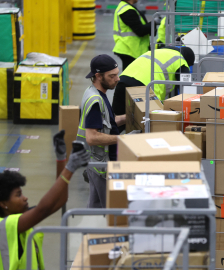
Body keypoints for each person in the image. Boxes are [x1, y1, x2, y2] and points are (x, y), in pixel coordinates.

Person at [0, 131, 89, 270]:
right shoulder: (4, 226)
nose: (25, 197)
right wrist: (70, 168)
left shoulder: (20, 219)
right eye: (18, 195)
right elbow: (44, 208)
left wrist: (61, 159)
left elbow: (59, 200)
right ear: (3, 203)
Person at [76, 55, 127, 208]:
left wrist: (128, 118)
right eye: (112, 76)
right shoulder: (95, 101)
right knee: (109, 213)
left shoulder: (95, 93)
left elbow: (106, 125)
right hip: (101, 167)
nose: (117, 79)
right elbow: (92, 137)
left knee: (96, 210)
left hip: (97, 164)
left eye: (117, 74)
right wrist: (124, 139)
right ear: (98, 76)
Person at [111, 46, 195, 127]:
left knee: (117, 120)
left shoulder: (156, 52)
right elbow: (186, 87)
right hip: (144, 87)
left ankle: (109, 139)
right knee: (147, 124)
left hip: (123, 80)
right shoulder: (180, 60)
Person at [113, 0, 159, 70]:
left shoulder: (126, 7)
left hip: (129, 48)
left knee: (130, 76)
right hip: (130, 49)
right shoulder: (127, 10)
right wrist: (154, 23)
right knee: (130, 77)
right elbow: (140, 30)